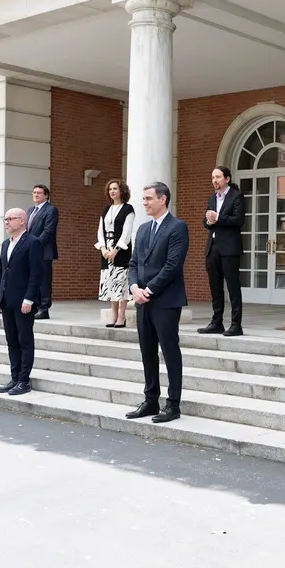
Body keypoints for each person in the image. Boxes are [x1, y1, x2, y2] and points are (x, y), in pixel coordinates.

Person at [125, 182, 189, 424]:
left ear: (163, 200)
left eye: (149, 198)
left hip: (165, 301)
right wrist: (134, 288)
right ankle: (151, 400)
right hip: (142, 301)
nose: (145, 202)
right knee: (147, 351)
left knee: (170, 352)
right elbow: (133, 264)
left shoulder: (177, 227)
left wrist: (148, 290)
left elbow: (172, 266)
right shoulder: (142, 229)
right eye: (144, 198)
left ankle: (173, 405)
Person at [0, 208, 44, 397]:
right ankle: (14, 377)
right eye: (5, 219)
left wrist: (29, 298)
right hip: (7, 300)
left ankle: (24, 380)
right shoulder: (6, 244)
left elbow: (36, 274)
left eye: (10, 219)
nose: (7, 222)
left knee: (24, 340)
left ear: (22, 221)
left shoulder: (33, 243)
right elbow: (1, 272)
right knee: (11, 341)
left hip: (24, 301)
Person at [200, 166, 246, 337]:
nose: (215, 180)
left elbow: (239, 219)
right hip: (213, 247)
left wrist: (218, 218)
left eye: (218, 177)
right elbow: (206, 222)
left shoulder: (236, 196)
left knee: (233, 287)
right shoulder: (212, 198)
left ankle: (236, 325)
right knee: (215, 286)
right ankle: (216, 322)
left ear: (227, 179)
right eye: (213, 177)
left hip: (230, 248)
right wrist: (209, 222)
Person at [96, 179, 135, 328]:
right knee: (110, 282)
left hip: (121, 250)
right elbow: (101, 230)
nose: (112, 191)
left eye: (115, 189)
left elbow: (127, 232)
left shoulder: (128, 209)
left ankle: (121, 316)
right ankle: (113, 314)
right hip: (107, 249)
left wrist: (116, 250)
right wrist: (103, 248)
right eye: (110, 189)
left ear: (122, 191)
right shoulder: (106, 209)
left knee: (121, 282)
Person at [26, 184, 59, 319]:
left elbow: (48, 231)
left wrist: (34, 245)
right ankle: (35, 306)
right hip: (30, 251)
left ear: (46, 195)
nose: (36, 195)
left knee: (44, 281)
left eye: (39, 193)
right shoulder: (29, 210)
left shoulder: (51, 210)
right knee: (33, 279)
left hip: (44, 251)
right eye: (34, 192)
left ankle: (44, 309)